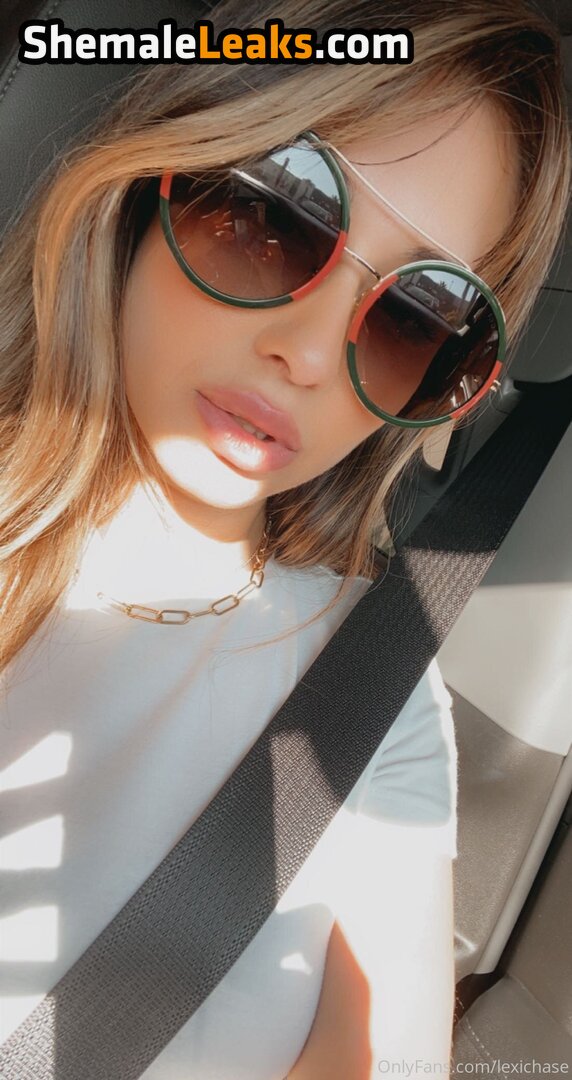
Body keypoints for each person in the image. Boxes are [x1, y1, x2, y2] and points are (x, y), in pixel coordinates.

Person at [0, 1, 570, 1077]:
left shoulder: (369, 685)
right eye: (275, 217)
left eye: (414, 317)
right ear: (159, 175)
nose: (307, 355)